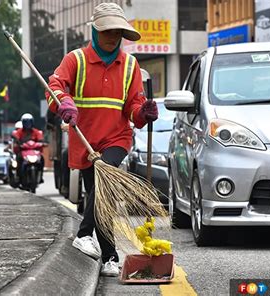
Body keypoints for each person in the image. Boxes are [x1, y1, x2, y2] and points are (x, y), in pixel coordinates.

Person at [45, 2, 158, 277]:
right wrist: (65, 103)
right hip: (84, 140)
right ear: (95, 31)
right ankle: (109, 257)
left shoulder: (130, 64)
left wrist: (143, 112)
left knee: (103, 184)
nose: (112, 37)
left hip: (116, 139)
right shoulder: (75, 60)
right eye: (107, 31)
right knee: (100, 197)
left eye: (117, 32)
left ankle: (83, 234)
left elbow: (133, 106)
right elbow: (54, 86)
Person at [12, 113, 45, 183]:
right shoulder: (19, 132)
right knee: (18, 158)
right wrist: (18, 143)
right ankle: (18, 175)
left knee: (42, 159)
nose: (28, 124)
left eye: (29, 122)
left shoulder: (36, 132)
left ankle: (41, 175)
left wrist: (41, 143)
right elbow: (16, 137)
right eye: (26, 122)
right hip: (23, 151)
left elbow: (40, 139)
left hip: (33, 151)